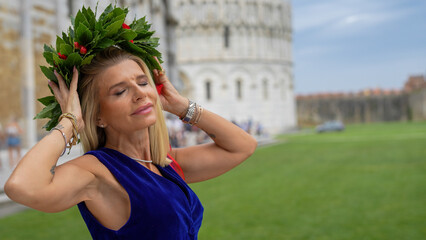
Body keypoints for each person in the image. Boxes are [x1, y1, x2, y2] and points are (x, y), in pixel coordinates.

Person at [5, 43, 257, 238]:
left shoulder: (165, 163)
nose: (139, 94)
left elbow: (243, 146)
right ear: (99, 116)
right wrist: (70, 121)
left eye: (143, 82)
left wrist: (181, 106)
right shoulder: (97, 172)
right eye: (120, 91)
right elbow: (22, 186)